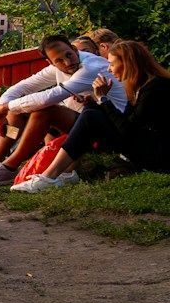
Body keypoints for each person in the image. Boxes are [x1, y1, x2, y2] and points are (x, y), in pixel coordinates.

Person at [0, 35, 125, 184]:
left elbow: (51, 96)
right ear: (50, 62)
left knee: (44, 110)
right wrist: (0, 112)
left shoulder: (90, 67)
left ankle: (9, 167)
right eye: (59, 60)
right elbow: (22, 87)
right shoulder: (59, 67)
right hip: (85, 123)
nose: (67, 62)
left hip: (110, 130)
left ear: (74, 49)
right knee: (17, 109)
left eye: (69, 55)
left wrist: (3, 107)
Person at [14, 39, 170, 192]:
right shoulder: (141, 86)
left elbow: (128, 129)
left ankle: (49, 176)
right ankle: (63, 174)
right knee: (90, 112)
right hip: (143, 145)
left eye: (113, 64)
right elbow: (130, 120)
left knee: (90, 116)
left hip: (156, 156)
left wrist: (103, 99)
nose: (109, 69)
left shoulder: (155, 88)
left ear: (129, 63)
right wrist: (94, 103)